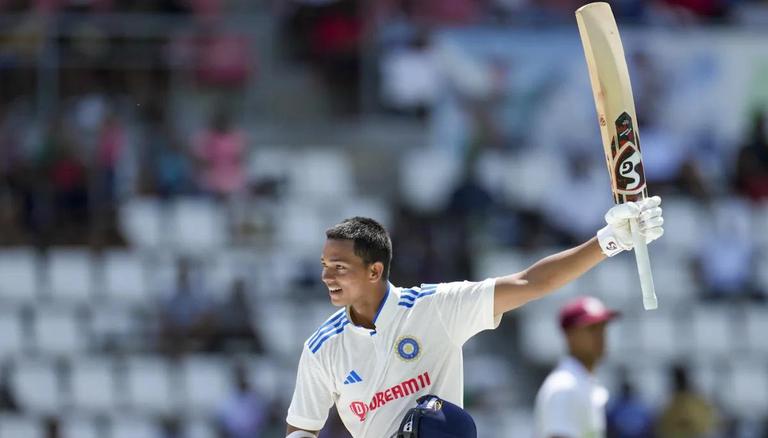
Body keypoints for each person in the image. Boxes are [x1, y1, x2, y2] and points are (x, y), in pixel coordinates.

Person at [286, 196, 664, 438]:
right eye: (324, 266)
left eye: (339, 267)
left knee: (444, 426)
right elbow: (302, 429)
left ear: (374, 271)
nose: (326, 277)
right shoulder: (323, 348)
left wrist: (609, 241)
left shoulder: (434, 308)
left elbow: (529, 281)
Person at [533, 295, 621, 438]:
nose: (600, 335)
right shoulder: (564, 387)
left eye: (602, 328)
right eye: (592, 328)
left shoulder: (581, 382)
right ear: (569, 335)